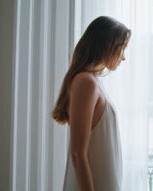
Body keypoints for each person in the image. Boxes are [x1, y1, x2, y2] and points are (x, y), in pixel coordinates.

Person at [51, 16, 131, 191]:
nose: (123, 57)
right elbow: (77, 152)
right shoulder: (85, 82)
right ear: (107, 46)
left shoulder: (92, 81)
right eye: (122, 49)